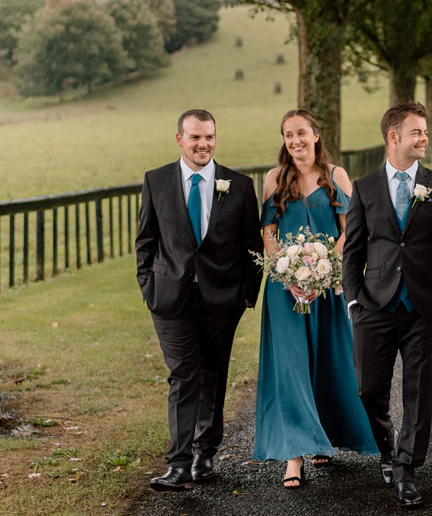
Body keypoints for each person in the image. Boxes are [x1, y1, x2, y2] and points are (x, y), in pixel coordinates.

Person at [341, 102, 432, 508]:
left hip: (424, 307)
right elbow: (352, 250)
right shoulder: (365, 187)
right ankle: (386, 448)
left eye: (425, 132)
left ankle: (406, 468)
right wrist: (353, 299)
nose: (425, 138)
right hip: (373, 305)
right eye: (417, 132)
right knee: (369, 389)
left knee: (419, 392)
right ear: (394, 137)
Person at [136, 109, 263, 492]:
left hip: (222, 301)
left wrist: (246, 296)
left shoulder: (238, 185)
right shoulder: (156, 181)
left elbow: (252, 246)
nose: (202, 144)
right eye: (195, 137)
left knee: (213, 374)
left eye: (208, 137)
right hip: (170, 299)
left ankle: (205, 453)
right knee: (183, 376)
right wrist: (149, 287)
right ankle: (177, 463)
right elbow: (146, 241)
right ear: (180, 140)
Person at [253, 110, 378, 488]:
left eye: (302, 133)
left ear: (316, 135)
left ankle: (323, 437)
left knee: (327, 360)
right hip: (284, 291)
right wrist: (288, 274)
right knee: (290, 367)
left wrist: (326, 269)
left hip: (327, 287)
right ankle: (294, 457)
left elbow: (351, 229)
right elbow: (269, 234)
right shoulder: (274, 178)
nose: (296, 141)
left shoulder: (336, 176)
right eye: (289, 135)